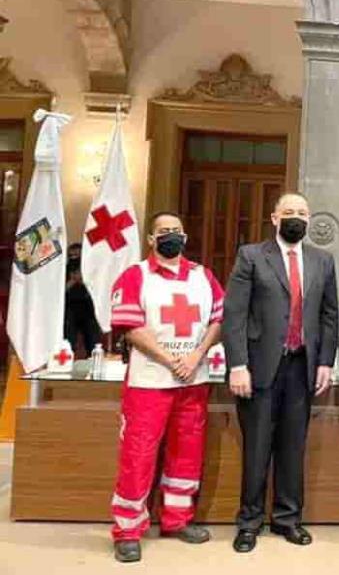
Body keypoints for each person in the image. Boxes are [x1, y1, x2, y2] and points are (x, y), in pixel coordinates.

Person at [223, 192, 339, 553]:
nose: (296, 218)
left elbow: (329, 315)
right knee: (257, 448)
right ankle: (249, 522)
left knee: (293, 448)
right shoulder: (252, 256)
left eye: (302, 212)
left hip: (302, 367)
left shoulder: (323, 260)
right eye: (289, 212)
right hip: (258, 368)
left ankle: (288, 519)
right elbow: (234, 313)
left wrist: (325, 361)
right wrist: (237, 364)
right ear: (274, 218)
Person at [108, 211, 224, 563]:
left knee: (187, 451)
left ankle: (177, 519)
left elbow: (218, 319)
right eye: (163, 231)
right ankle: (128, 530)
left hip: (193, 381)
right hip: (149, 383)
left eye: (176, 230)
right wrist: (171, 360)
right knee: (138, 454)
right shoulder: (135, 276)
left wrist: (196, 356)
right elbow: (130, 327)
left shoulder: (203, 276)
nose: (171, 235)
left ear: (185, 236)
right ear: (151, 239)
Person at [64, 242, 102, 357]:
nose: (74, 258)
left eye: (77, 255)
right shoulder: (65, 269)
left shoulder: (90, 269)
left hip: (89, 308)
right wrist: (72, 281)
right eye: (71, 256)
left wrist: (83, 280)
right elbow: (59, 291)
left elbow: (98, 288)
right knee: (68, 342)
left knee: (93, 342)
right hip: (70, 308)